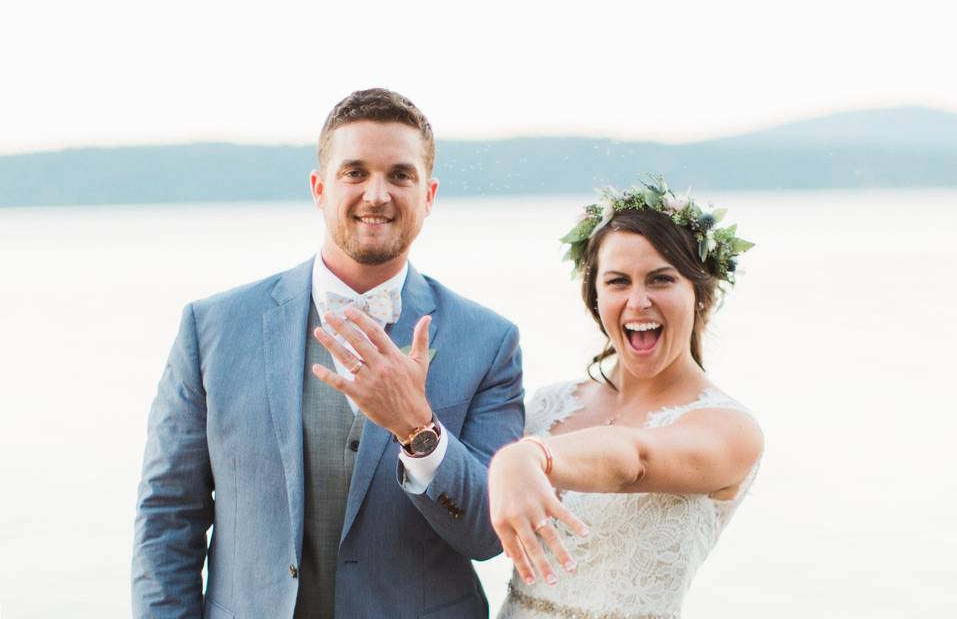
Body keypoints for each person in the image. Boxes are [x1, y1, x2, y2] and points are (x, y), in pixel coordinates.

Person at [132, 88, 525, 618]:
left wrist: (417, 428)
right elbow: (167, 518)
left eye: (400, 175)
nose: (377, 194)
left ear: (429, 195)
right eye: (355, 172)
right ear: (319, 188)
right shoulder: (213, 328)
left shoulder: (490, 342)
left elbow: (487, 534)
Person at [489, 180, 763, 618]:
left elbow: (635, 460)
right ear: (596, 297)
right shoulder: (548, 404)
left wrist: (526, 456)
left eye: (661, 279)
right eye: (618, 281)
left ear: (700, 293)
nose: (638, 301)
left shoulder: (729, 428)